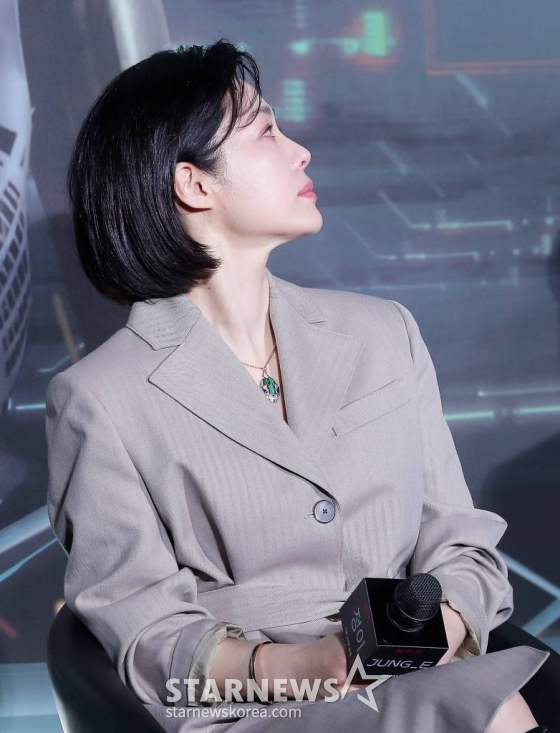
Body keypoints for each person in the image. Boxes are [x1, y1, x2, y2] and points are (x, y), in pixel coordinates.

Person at [45, 39, 550, 732]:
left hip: (423, 671)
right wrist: (310, 665)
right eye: (267, 133)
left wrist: (435, 629)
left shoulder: (384, 332)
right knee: (487, 707)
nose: (301, 152)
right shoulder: (98, 399)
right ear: (194, 184)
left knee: (479, 697)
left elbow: (460, 542)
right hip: (258, 710)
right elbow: (147, 631)